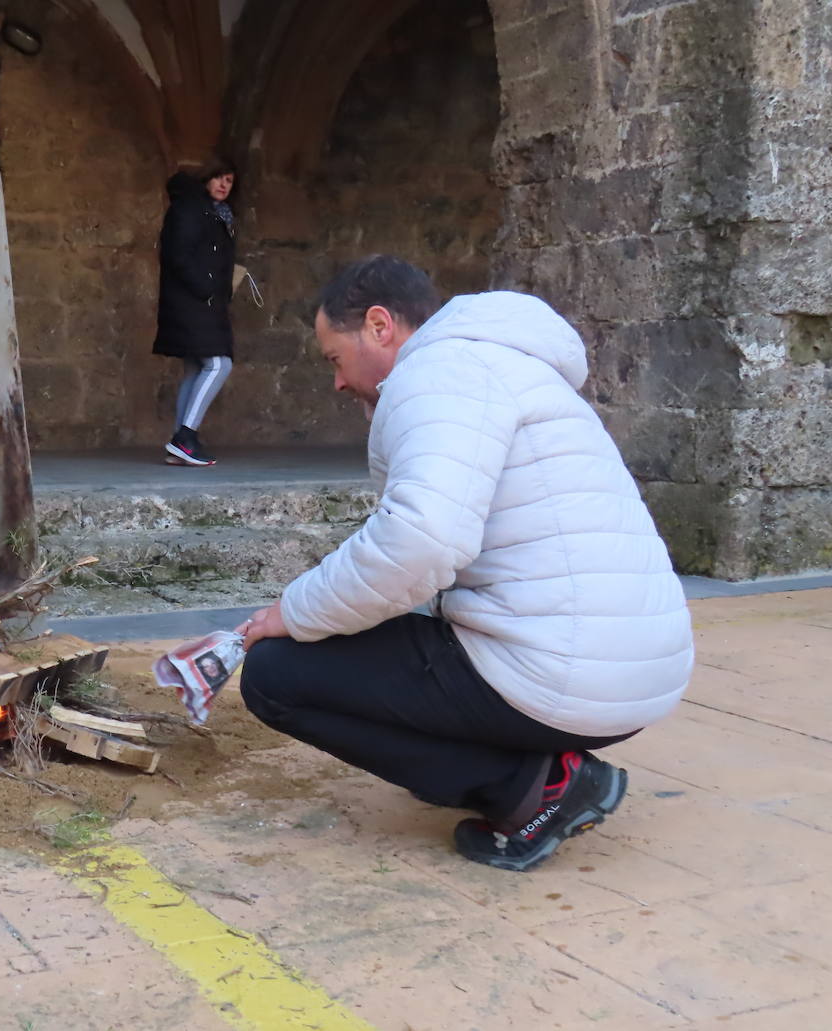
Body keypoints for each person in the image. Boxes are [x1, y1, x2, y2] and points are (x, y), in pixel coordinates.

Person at [235, 255, 694, 872]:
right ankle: (528, 767)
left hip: (564, 672)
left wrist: (290, 613)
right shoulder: (502, 365)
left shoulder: (438, 373)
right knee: (381, 635)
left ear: (379, 326)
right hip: (636, 671)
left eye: (334, 359)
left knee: (277, 675)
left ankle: (532, 791)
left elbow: (421, 541)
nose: (338, 384)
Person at [152, 158, 236, 466]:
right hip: (193, 302)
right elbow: (178, 255)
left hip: (202, 303)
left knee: (194, 368)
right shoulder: (190, 209)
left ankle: (179, 444)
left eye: (229, 180)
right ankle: (185, 436)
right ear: (205, 180)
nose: (224, 184)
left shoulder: (215, 213)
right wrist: (208, 286)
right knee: (218, 364)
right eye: (219, 177)